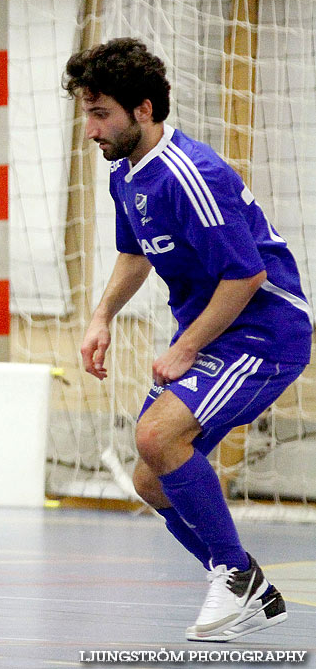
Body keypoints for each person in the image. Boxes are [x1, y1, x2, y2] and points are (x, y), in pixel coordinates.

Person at [64, 38, 311, 642]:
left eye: (101, 113)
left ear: (143, 110)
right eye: (87, 113)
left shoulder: (192, 173)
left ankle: (231, 576)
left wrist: (185, 347)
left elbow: (246, 273)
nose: (91, 128)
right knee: (152, 476)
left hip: (263, 332)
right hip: (218, 332)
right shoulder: (127, 173)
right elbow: (133, 253)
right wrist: (102, 318)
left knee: (157, 435)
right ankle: (247, 584)